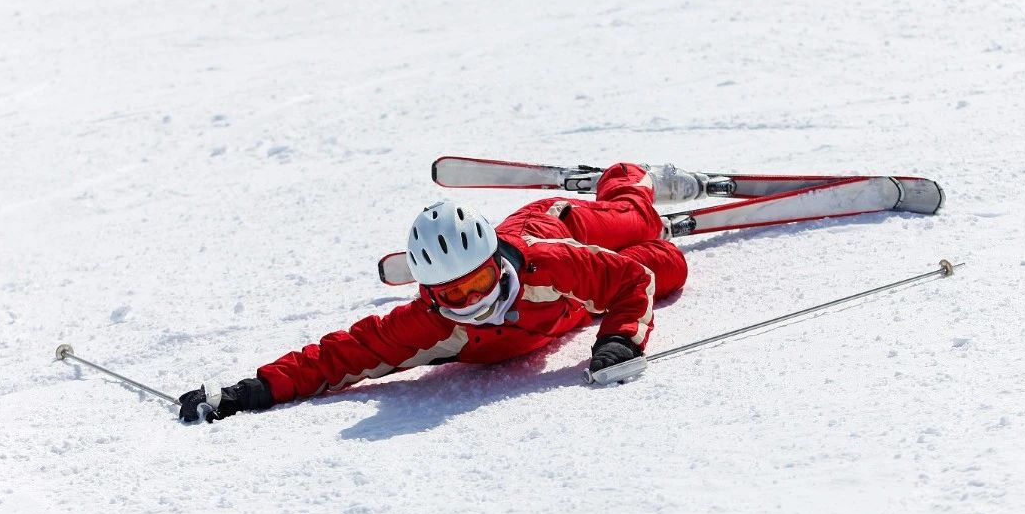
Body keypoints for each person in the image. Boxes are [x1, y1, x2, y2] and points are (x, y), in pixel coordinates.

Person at [178, 162, 711, 422]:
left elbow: (626, 285)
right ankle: (659, 235)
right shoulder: (428, 322)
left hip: (555, 227)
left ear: (492, 261)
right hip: (572, 307)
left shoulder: (544, 263)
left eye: (478, 282)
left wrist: (619, 341)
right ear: (428, 290)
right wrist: (250, 391)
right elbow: (338, 356)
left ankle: (632, 176)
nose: (470, 301)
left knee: (634, 219)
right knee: (669, 265)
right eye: (451, 293)